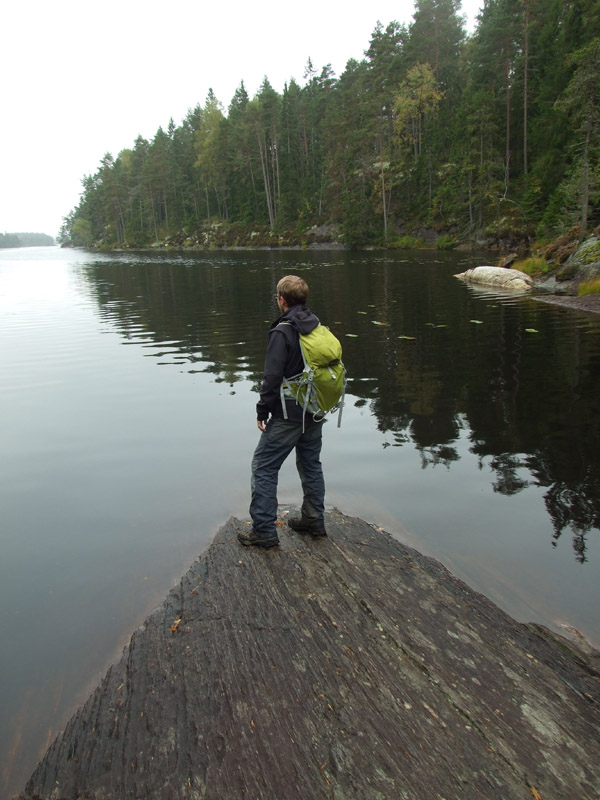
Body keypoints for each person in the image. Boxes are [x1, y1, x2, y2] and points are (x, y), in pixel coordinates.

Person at [238, 275, 327, 548]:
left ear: (282, 300)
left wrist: (262, 410)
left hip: (289, 413)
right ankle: (313, 519)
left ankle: (264, 530)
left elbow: (272, 376)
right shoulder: (316, 326)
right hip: (315, 408)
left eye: (277, 297)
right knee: (311, 463)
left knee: (263, 466)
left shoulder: (282, 331)